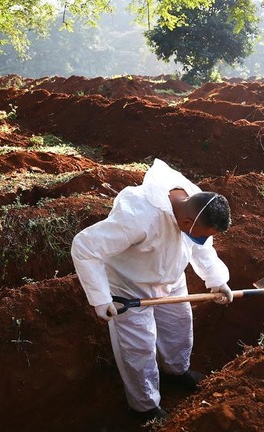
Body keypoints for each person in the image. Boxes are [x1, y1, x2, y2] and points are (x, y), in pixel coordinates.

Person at [71, 158, 234, 421]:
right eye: (200, 233)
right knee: (139, 348)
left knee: (179, 326)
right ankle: (144, 408)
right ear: (187, 220)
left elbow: (202, 247)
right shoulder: (138, 217)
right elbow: (85, 247)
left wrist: (217, 279)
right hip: (130, 286)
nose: (202, 239)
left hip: (170, 277)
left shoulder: (195, 203)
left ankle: (176, 371)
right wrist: (100, 298)